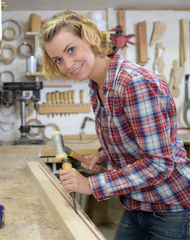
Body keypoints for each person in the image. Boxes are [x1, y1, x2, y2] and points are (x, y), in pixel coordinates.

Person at [38, 10, 190, 240]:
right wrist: (105, 154)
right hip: (136, 204)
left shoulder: (132, 83)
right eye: (58, 59)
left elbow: (160, 163)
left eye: (71, 49)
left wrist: (92, 185)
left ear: (90, 39)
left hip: (171, 206)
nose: (67, 64)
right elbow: (132, 138)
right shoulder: (96, 85)